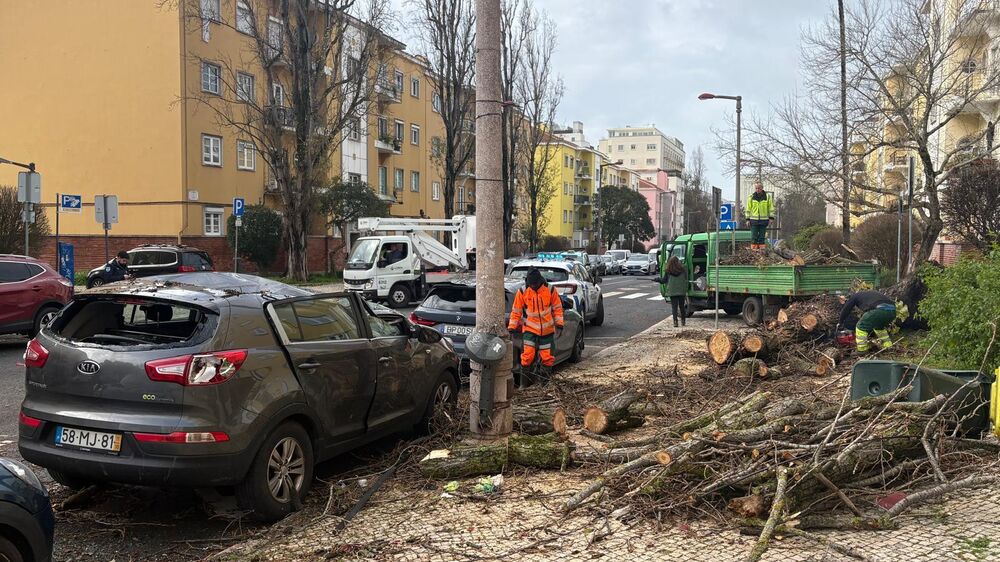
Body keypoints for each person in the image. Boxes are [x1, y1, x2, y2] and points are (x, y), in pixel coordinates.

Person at [508, 268, 564, 387]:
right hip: (530, 330)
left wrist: (559, 325)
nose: (533, 286)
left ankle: (544, 384)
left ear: (540, 281)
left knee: (547, 358)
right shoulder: (523, 292)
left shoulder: (550, 290)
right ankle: (524, 386)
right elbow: (516, 311)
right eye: (531, 284)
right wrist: (512, 327)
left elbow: (557, 308)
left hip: (547, 332)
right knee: (527, 357)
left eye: (535, 284)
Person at [837, 290, 909, 352]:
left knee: (861, 326)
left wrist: (840, 322)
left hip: (879, 310)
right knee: (879, 327)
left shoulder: (854, 297)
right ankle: (888, 345)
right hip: (892, 311)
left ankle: (862, 350)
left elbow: (846, 310)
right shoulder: (867, 294)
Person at [659, 256, 688, 327]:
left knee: (674, 307)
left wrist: (657, 279)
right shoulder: (683, 269)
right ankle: (683, 321)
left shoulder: (668, 271)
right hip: (681, 290)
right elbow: (686, 278)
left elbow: (663, 281)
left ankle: (675, 322)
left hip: (672, 291)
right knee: (682, 306)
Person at [744, 181, 774, 251]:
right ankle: (754, 252)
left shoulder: (767, 197)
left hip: (764, 221)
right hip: (753, 221)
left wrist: (771, 218)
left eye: (759, 188)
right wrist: (747, 219)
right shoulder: (751, 197)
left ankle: (762, 252)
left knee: (762, 237)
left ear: (762, 188)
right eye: (756, 188)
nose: (757, 189)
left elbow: (771, 208)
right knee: (754, 237)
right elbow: (748, 209)